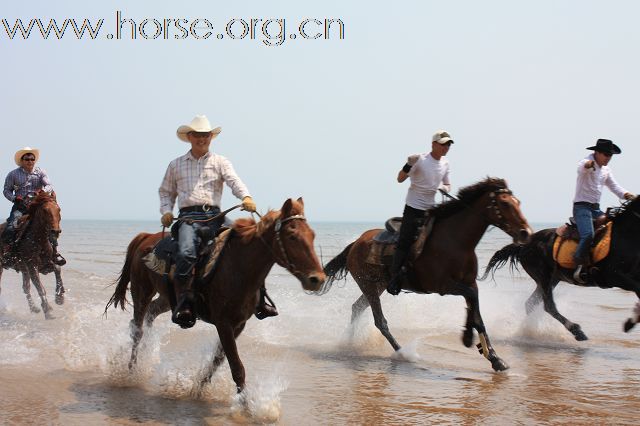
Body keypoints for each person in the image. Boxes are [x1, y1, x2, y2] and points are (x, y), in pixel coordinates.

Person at [159, 114, 257, 326]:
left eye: (206, 135)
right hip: (188, 219)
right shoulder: (175, 165)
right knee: (186, 252)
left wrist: (245, 197)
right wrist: (166, 211)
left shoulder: (220, 162)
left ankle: (259, 298)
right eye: (198, 135)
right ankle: (184, 301)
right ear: (190, 137)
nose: (202, 139)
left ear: (211, 137)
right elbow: (166, 192)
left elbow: (234, 181)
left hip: (216, 217)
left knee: (251, 242)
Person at [387, 130, 453, 295]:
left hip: (431, 210)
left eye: (448, 144)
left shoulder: (445, 163)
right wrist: (408, 164)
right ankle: (394, 279)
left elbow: (448, 184)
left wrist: (444, 188)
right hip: (413, 208)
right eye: (443, 144)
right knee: (405, 241)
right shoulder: (420, 160)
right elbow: (400, 178)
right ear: (433, 144)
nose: (446, 147)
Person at [572, 138, 635, 283]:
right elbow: (581, 168)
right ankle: (579, 263)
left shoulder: (606, 170)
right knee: (588, 235)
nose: (608, 158)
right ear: (596, 153)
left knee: (614, 231)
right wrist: (589, 165)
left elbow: (615, 187)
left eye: (610, 155)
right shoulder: (587, 162)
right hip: (581, 208)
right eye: (606, 154)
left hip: (596, 209)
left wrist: (627, 195)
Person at [2, 147, 66, 265]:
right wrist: (14, 198)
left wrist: (41, 192)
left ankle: (55, 253)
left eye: (32, 159)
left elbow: (49, 185)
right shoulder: (13, 174)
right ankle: (8, 251)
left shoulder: (41, 172)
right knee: (11, 227)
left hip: (37, 206)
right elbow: (6, 191)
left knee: (52, 226)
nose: (30, 161)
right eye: (27, 159)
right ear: (22, 160)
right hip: (20, 206)